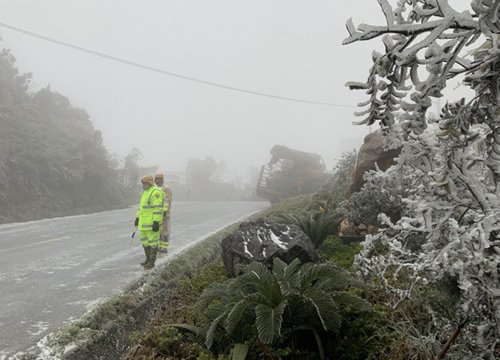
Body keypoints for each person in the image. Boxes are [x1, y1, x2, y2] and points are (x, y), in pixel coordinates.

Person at [135, 175, 164, 269]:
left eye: (144, 183)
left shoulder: (156, 192)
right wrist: (137, 217)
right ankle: (147, 259)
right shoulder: (145, 192)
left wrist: (156, 221)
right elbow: (141, 207)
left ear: (149, 183)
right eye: (143, 184)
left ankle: (151, 262)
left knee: (153, 242)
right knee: (145, 242)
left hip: (152, 224)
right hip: (143, 223)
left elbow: (158, 208)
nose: (143, 185)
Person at [154, 173, 172, 253]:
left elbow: (167, 201)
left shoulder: (166, 188)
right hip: (155, 215)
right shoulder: (154, 188)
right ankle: (159, 246)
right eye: (156, 179)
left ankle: (164, 247)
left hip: (164, 215)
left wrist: (164, 211)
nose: (157, 180)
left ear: (162, 179)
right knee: (157, 231)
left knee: (164, 231)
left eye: (159, 179)